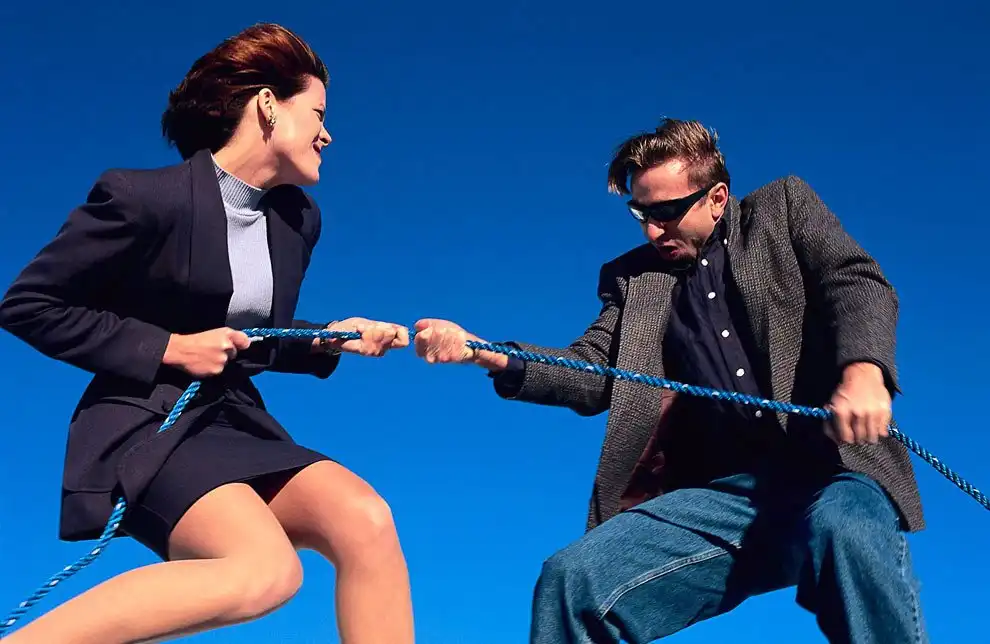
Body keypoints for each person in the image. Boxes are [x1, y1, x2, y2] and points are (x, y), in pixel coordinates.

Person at [413, 118, 927, 643]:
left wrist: (865, 374)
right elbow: (593, 371)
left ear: (717, 198)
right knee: (574, 579)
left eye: (666, 212)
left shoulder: (783, 209)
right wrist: (486, 353)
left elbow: (855, 281)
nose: (652, 231)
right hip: (726, 499)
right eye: (641, 214)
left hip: (834, 469)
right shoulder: (634, 279)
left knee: (847, 529)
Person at [0, 23, 414, 644]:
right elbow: (29, 305)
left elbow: (251, 333)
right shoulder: (143, 198)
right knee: (266, 572)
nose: (328, 134)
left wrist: (328, 337)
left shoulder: (295, 220)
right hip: (149, 422)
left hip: (234, 420)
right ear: (268, 106)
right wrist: (171, 347)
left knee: (366, 519)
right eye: (319, 114)